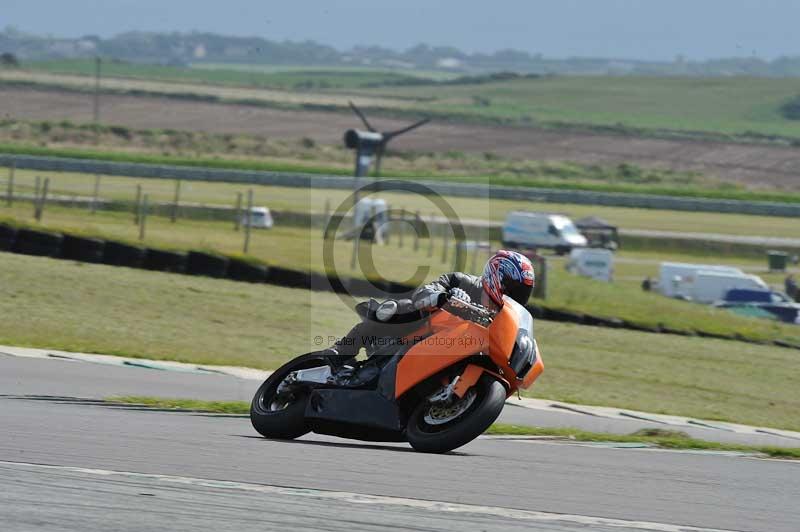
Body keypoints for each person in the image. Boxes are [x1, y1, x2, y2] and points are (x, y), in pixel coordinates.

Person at [324, 250, 536, 368]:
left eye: (522, 293)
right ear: (497, 278)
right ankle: (340, 351)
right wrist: (442, 297)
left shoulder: (506, 316)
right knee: (394, 309)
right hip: (421, 334)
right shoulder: (461, 281)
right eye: (515, 290)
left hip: (450, 355)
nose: (517, 298)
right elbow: (425, 292)